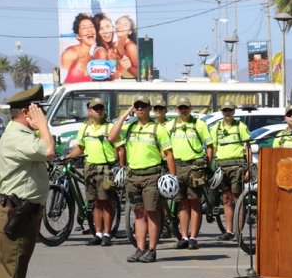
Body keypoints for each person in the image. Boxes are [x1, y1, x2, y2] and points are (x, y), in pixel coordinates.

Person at [0, 85, 55, 278]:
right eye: (37, 109)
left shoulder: (21, 135)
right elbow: (49, 150)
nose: (41, 113)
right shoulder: (19, 136)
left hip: (22, 213)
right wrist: (42, 125)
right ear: (27, 112)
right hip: (17, 215)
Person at [108, 95, 175, 263]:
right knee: (139, 214)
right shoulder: (129, 128)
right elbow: (111, 137)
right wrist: (124, 116)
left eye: (143, 106)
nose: (140, 109)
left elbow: (168, 154)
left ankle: (152, 249)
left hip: (151, 175)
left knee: (152, 213)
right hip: (133, 175)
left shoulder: (157, 128)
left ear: (149, 108)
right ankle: (140, 248)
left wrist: (173, 177)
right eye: (137, 106)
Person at [65, 98, 124, 246]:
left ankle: (106, 234)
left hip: (106, 168)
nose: (98, 111)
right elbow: (80, 148)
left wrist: (121, 168)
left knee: (106, 203)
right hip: (89, 169)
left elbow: (120, 149)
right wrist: (67, 157)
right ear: (89, 111)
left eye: (100, 108)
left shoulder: (110, 127)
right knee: (96, 203)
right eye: (95, 108)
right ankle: (97, 234)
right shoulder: (84, 128)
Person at [167, 98, 213, 250]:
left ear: (190, 107)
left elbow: (210, 147)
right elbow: (165, 148)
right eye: (180, 108)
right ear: (176, 109)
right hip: (177, 167)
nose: (183, 110)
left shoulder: (199, 124)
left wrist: (206, 166)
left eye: (186, 107)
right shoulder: (170, 125)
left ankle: (193, 237)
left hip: (194, 167)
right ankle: (184, 236)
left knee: (194, 202)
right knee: (182, 203)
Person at [210, 101, 252, 242]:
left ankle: (238, 231)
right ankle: (229, 231)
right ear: (221, 112)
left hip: (237, 166)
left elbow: (248, 148)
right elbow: (213, 149)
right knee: (226, 200)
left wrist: (249, 169)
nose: (227, 113)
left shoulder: (240, 126)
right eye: (225, 110)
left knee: (237, 198)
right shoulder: (216, 128)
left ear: (234, 112)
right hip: (222, 167)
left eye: (230, 110)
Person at [61, 13, 104, 83]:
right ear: (78, 36)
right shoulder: (71, 53)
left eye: (91, 26)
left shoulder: (93, 59)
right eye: (84, 27)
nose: (89, 30)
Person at [93, 12, 130, 80]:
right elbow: (102, 80)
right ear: (97, 32)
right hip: (107, 90)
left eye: (108, 26)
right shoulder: (101, 52)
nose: (106, 31)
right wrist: (120, 70)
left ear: (112, 27)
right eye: (101, 29)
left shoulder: (113, 48)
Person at [114, 15, 139, 79]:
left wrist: (121, 53)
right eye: (118, 23)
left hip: (129, 85)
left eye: (125, 25)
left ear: (130, 31)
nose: (120, 26)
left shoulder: (131, 46)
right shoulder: (113, 44)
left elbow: (140, 73)